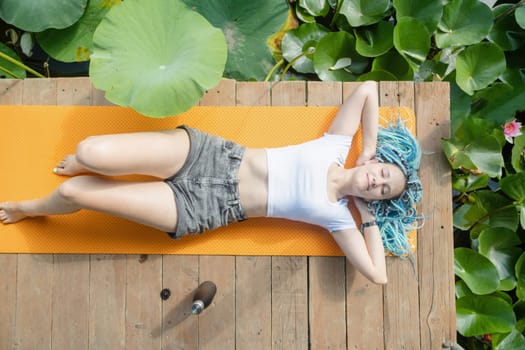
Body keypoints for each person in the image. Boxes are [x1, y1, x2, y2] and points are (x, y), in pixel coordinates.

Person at [0, 81, 422, 284]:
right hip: (213, 155)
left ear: (377, 198)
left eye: (383, 190)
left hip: (206, 209)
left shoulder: (339, 219)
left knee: (76, 192)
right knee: (91, 153)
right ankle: (89, 164)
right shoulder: (337, 144)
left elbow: (378, 275)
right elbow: (367, 90)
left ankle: (26, 208)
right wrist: (367, 146)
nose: (376, 182)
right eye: (383, 174)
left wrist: (366, 217)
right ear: (379, 162)